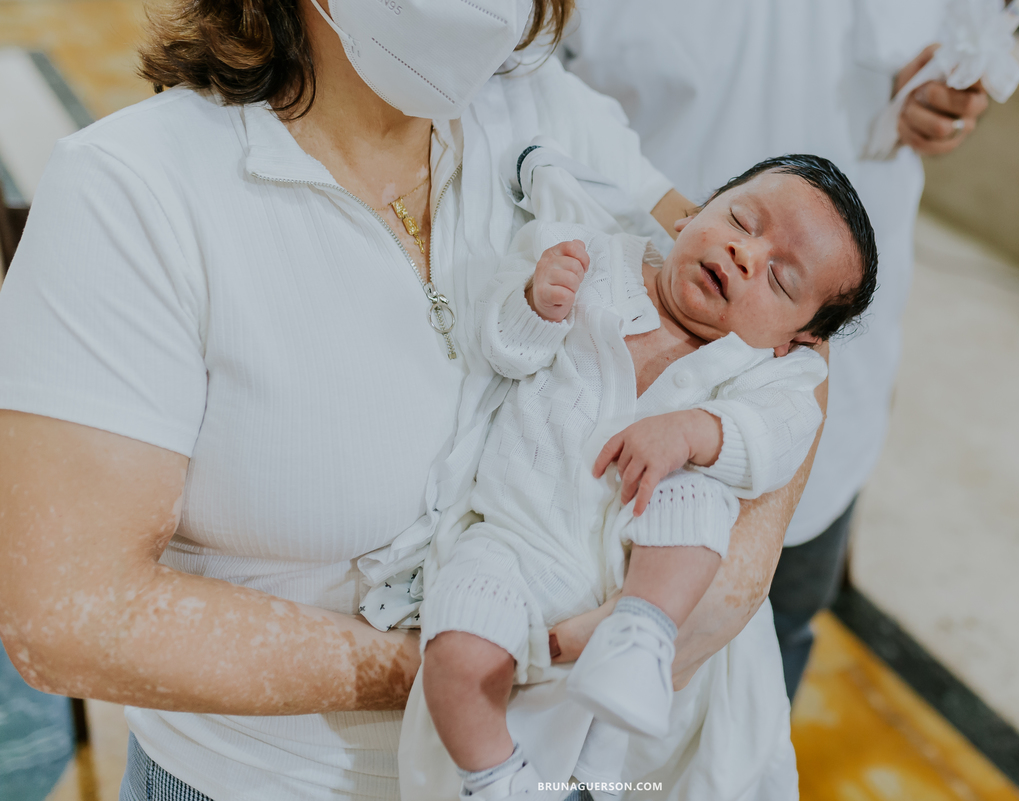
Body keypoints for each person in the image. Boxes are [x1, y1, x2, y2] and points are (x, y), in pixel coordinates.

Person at [0, 1, 827, 799]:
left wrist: (705, 592)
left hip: (575, 765)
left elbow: (793, 337)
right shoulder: (135, 191)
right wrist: (480, 667)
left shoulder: (540, 106)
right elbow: (72, 616)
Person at [409, 151, 874, 798]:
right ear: (689, 215)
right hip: (520, 538)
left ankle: (639, 638)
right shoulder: (595, 260)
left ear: (795, 340)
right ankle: (495, 777)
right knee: (455, 653)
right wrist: (535, 304)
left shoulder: (766, 372)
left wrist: (696, 431)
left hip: (651, 578)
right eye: (741, 219)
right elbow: (504, 355)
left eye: (781, 279)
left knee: (699, 494)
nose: (746, 254)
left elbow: (778, 438)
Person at [562, 0, 990, 700]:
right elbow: (520, 101)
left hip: (824, 402)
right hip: (610, 393)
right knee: (578, 682)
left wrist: (950, 102)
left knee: (772, 646)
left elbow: (961, 60)